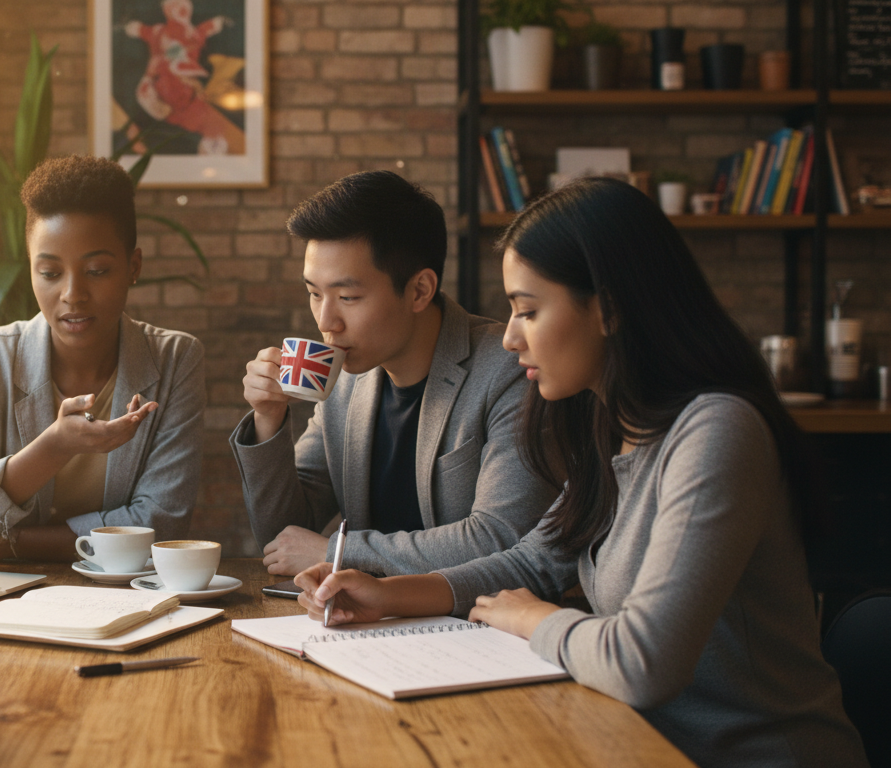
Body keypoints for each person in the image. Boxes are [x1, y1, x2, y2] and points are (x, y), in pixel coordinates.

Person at [295, 177, 867, 768]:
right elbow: (532, 560)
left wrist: (534, 617)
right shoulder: (610, 425)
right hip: (630, 741)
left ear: (610, 309)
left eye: (530, 311)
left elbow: (640, 663)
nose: (511, 337)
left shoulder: (717, 433)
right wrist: (388, 595)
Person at [231, 170, 558, 577]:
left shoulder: (510, 371)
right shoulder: (344, 379)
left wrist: (340, 552)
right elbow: (282, 538)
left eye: (348, 297)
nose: (326, 322)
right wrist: (268, 419)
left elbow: (500, 538)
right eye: (315, 294)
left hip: (474, 625)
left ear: (419, 290)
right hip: (365, 624)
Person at [0, 155, 205, 565]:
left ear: (133, 267)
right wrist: (51, 449)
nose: (73, 293)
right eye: (50, 273)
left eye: (97, 270)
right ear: (31, 271)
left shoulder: (175, 359)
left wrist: (15, 543)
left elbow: (161, 524)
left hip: (124, 600)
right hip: (3, 604)